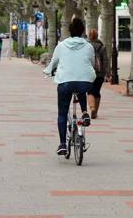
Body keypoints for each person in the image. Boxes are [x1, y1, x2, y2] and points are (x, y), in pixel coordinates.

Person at [43, 18, 95, 156]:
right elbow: (92, 62)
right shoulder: (89, 46)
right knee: (81, 86)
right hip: (85, 81)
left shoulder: (61, 46)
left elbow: (53, 62)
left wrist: (48, 71)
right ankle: (84, 112)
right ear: (83, 31)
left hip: (65, 82)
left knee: (62, 112)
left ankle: (62, 144)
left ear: (69, 31)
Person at [88, 29, 108, 119]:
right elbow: (105, 61)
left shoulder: (87, 46)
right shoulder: (102, 47)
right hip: (99, 74)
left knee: (90, 92)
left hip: (89, 73)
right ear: (97, 35)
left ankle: (92, 108)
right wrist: (104, 73)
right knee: (97, 92)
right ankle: (95, 111)